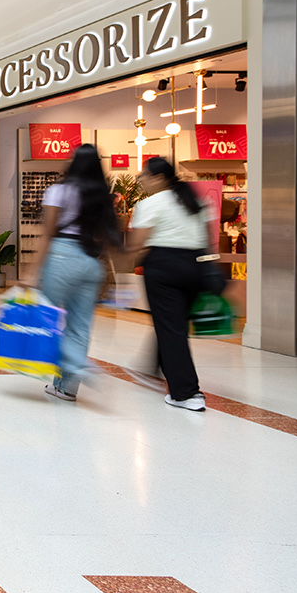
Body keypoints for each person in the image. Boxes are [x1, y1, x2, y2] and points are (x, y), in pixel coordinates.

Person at [23, 144, 120, 403]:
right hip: (91, 261)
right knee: (79, 326)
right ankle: (65, 387)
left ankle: (78, 363)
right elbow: (107, 237)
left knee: (46, 319)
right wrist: (109, 278)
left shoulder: (59, 191)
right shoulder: (102, 195)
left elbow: (48, 232)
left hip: (62, 257)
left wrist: (32, 272)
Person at [128, 156, 214, 412]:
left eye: (145, 174)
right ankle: (155, 367)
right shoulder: (194, 200)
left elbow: (137, 243)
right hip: (194, 266)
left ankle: (186, 392)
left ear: (159, 178)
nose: (141, 179)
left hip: (164, 267)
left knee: (171, 328)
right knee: (173, 324)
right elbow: (207, 237)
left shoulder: (150, 204)